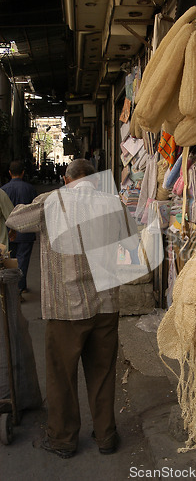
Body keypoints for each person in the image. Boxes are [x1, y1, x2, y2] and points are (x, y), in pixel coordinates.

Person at [6, 159, 139, 459]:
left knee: (62, 376)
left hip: (65, 306)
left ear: (66, 180)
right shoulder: (113, 203)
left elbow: (15, 220)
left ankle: (64, 440)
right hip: (106, 304)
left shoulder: (52, 201)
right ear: (94, 181)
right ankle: (106, 437)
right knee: (103, 373)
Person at [1, 160, 37, 296]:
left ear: (10, 173)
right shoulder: (30, 188)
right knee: (23, 259)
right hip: (25, 231)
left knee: (9, 260)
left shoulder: (3, 190)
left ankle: (11, 287)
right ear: (23, 173)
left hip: (8, 231)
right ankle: (20, 287)